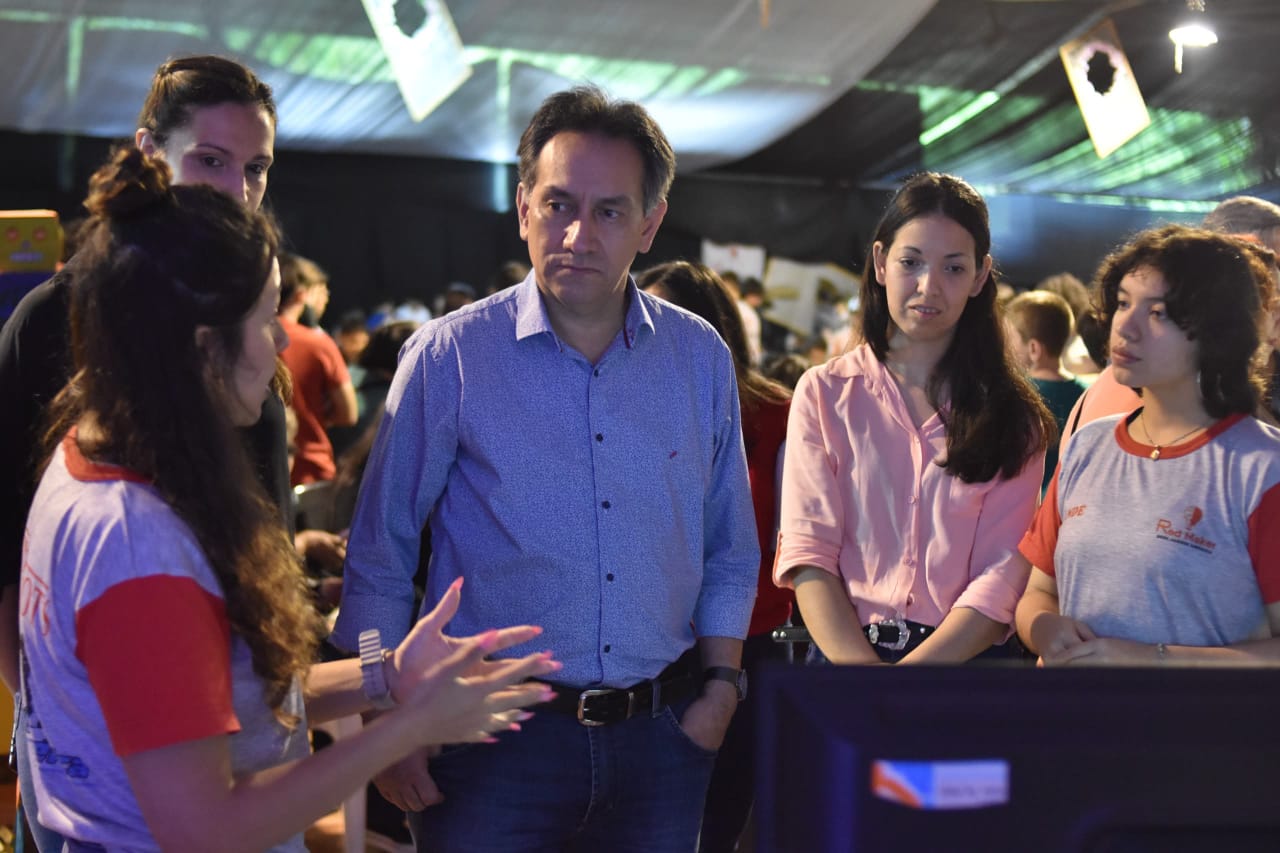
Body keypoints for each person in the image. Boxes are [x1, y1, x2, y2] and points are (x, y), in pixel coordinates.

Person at [19, 148, 558, 851]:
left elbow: (220, 698)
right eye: (268, 317)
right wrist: (410, 724)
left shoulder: (90, 456)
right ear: (203, 346)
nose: (280, 342)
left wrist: (385, 675)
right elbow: (205, 827)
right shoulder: (137, 545)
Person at [332, 85, 759, 852]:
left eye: (608, 211)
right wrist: (382, 718)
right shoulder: (451, 357)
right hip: (490, 741)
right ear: (524, 205)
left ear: (651, 223)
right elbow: (380, 551)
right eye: (558, 203)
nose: (577, 234)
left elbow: (730, 544)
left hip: (661, 736)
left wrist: (721, 689)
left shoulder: (699, 360)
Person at [0, 54, 292, 852]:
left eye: (256, 168)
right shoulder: (51, 321)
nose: (236, 190)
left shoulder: (252, 355)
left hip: (223, 731)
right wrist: (52, 724)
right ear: (150, 153)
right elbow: (11, 547)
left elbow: (257, 567)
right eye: (211, 160)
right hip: (102, 776)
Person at [774, 172, 1054, 665]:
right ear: (881, 263)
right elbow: (809, 551)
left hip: (962, 667)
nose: (929, 287)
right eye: (911, 262)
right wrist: (866, 682)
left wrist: (908, 685)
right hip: (844, 658)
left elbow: (1001, 575)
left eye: (953, 268)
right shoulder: (825, 392)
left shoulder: (1015, 417)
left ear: (980, 276)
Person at [1015, 225, 1280, 666]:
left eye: (1157, 313)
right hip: (1070, 726)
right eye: (1122, 303)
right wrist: (1043, 627)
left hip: (1196, 732)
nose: (1126, 326)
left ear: (1216, 333)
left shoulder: (1260, 468)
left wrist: (1156, 659)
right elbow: (1039, 592)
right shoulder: (1088, 445)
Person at [638, 260, 792, 853]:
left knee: (720, 819)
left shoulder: (775, 414)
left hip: (749, 642)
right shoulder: (622, 414)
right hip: (651, 643)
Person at [277, 252, 358, 485]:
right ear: (304, 294)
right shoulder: (318, 344)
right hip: (311, 470)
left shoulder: (247, 337)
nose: (326, 299)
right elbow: (349, 412)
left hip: (256, 469)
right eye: (322, 292)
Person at [1004, 289, 1088, 493]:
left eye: (1009, 337)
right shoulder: (1087, 394)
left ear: (1034, 349)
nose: (1004, 345)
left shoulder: (1014, 395)